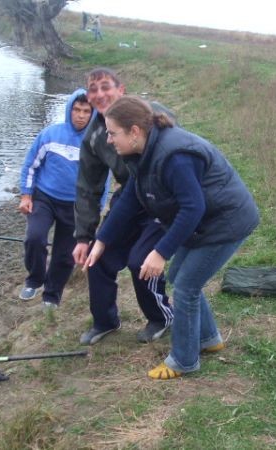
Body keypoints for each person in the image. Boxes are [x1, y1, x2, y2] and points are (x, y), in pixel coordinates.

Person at [84, 96, 260, 379]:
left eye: (113, 132)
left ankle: (183, 360)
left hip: (227, 221)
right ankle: (209, 339)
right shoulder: (141, 153)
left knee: (186, 287)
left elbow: (193, 208)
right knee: (180, 277)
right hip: (206, 221)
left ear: (134, 131)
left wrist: (160, 252)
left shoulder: (174, 156)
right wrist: (102, 240)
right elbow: (130, 198)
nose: (108, 139)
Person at [73, 68, 174, 345]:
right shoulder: (94, 136)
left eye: (106, 87)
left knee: (140, 261)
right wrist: (83, 236)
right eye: (93, 89)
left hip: (161, 199)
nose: (100, 94)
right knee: (97, 257)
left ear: (121, 89)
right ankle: (105, 321)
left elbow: (177, 151)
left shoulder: (150, 113)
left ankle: (161, 317)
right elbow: (88, 188)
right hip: (129, 198)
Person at [19, 88, 105, 309]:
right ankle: (35, 279)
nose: (80, 115)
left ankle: (52, 294)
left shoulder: (97, 143)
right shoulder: (49, 134)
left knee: (65, 254)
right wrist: (26, 195)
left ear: (93, 114)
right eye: (76, 110)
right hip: (44, 198)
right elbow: (30, 166)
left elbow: (101, 182)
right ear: (69, 110)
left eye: (86, 111)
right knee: (35, 238)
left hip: (76, 205)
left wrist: (96, 210)